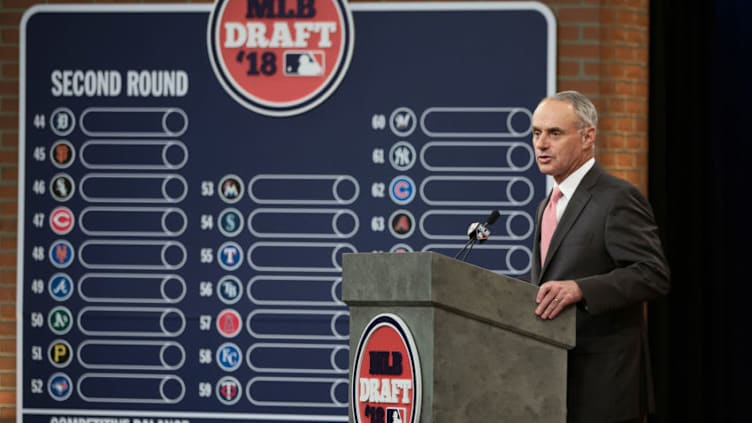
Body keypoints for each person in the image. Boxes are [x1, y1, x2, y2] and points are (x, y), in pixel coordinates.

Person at [529, 90, 670, 423]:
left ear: (587, 136)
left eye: (555, 133)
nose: (542, 144)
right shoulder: (547, 204)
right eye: (536, 133)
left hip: (605, 388)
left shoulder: (616, 198)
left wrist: (581, 289)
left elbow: (653, 274)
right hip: (554, 383)